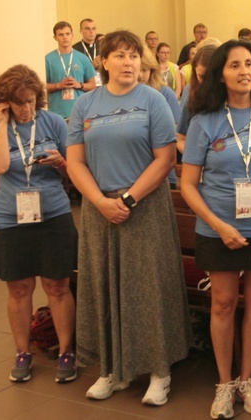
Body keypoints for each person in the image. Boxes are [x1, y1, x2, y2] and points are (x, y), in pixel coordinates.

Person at [67, 30, 192, 406]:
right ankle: (113, 370)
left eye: (134, 56)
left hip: (145, 205)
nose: (128, 63)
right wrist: (99, 202)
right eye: (119, 56)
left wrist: (127, 198)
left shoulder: (153, 101)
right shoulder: (85, 105)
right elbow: (75, 161)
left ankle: (159, 371)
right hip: (97, 208)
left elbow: (166, 158)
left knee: (148, 288)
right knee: (105, 284)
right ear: (102, 62)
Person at [179, 40, 251, 419]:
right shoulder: (203, 122)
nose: (244, 71)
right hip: (219, 229)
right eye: (234, 65)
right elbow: (188, 184)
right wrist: (218, 224)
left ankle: (247, 380)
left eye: (249, 64)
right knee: (224, 304)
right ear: (220, 73)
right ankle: (224, 384)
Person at [0, 65, 78, 384]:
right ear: (5, 102)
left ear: (39, 98)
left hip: (53, 214)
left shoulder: (52, 122)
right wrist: (0, 124)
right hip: (10, 219)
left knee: (57, 286)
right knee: (20, 288)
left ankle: (66, 351)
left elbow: (76, 174)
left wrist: (61, 163)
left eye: (31, 100)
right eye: (18, 102)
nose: (25, 108)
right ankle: (22, 352)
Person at [140, 48, 181, 189]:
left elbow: (176, 129)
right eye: (137, 69)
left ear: (152, 71)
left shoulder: (165, 93)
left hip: (162, 172)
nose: (140, 75)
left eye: (144, 70)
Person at [45, 21, 96, 119]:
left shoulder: (83, 58)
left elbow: (92, 85)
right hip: (56, 114)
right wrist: (58, 85)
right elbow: (42, 86)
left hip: (80, 113)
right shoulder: (48, 59)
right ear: (55, 37)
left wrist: (79, 85)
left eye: (67, 34)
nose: (65, 37)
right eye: (61, 35)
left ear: (72, 35)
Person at [177, 44, 218, 154]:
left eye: (211, 76)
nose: (207, 82)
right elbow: (180, 137)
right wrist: (195, 158)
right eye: (202, 77)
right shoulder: (192, 93)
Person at [72, 18, 103, 87]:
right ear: (81, 31)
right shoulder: (75, 49)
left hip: (102, 87)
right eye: (87, 29)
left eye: (93, 28)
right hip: (85, 87)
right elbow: (74, 72)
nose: (91, 31)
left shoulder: (103, 47)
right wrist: (91, 67)